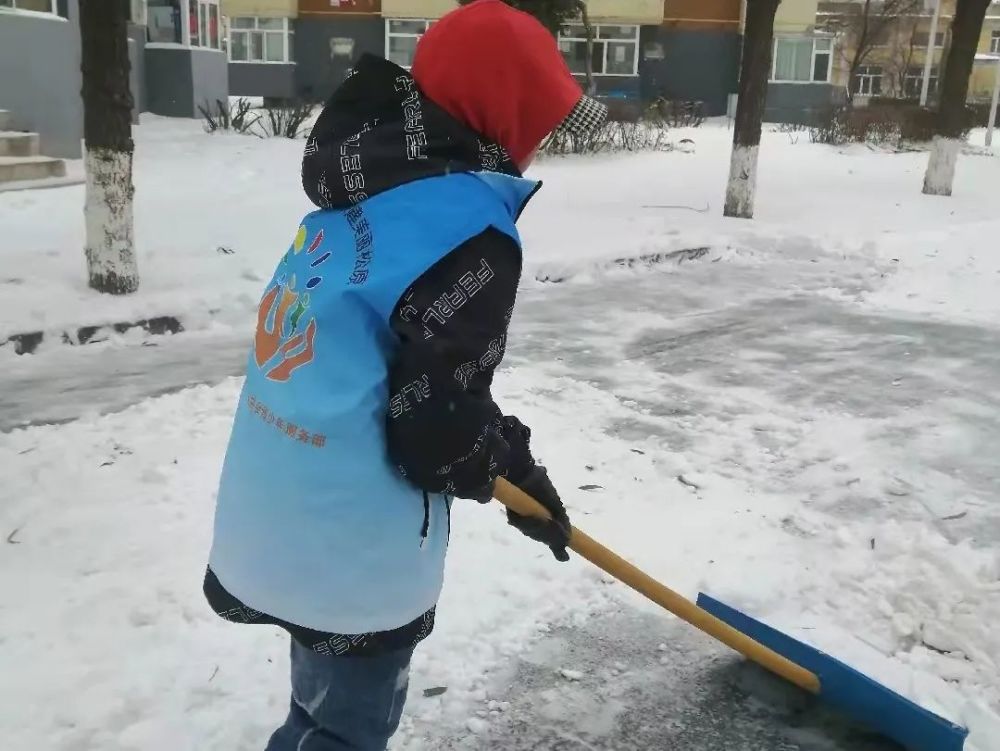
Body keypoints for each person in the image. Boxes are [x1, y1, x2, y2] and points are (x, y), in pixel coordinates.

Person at [202, 1, 608, 749]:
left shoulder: (369, 186)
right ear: (502, 112)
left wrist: (510, 464)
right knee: (348, 732)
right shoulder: (472, 231)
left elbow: (414, 381)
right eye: (538, 118)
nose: (542, 140)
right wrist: (508, 473)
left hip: (279, 511)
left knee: (315, 712)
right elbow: (434, 433)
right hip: (351, 545)